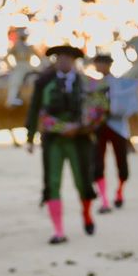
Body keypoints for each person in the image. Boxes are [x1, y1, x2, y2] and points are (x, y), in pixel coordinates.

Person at [23, 43, 106, 243]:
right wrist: (31, 135)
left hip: (80, 138)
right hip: (54, 140)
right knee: (52, 182)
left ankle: (86, 215)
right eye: (60, 58)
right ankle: (58, 231)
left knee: (83, 180)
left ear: (74, 61)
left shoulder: (87, 83)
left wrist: (81, 127)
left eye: (67, 58)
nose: (63, 61)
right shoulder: (44, 82)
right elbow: (37, 109)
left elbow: (100, 108)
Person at [87, 51, 138, 211]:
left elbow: (131, 104)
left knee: (121, 161)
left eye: (102, 64)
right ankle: (104, 199)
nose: (99, 67)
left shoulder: (120, 83)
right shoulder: (93, 84)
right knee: (97, 162)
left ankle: (119, 192)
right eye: (98, 64)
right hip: (99, 127)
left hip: (117, 126)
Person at [0, 26, 41, 107]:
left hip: (26, 67)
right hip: (21, 67)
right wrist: (10, 67)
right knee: (16, 79)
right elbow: (6, 58)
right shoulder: (17, 47)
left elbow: (39, 57)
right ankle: (12, 98)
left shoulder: (29, 47)